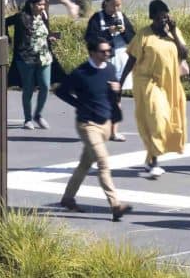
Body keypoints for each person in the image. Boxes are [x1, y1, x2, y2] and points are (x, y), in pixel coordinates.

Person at [55, 37, 133, 222]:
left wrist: (116, 90)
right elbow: (60, 91)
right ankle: (115, 206)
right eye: (103, 51)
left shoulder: (110, 69)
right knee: (103, 163)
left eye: (108, 51)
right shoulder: (81, 73)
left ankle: (67, 198)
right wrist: (78, 104)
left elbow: (111, 92)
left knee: (84, 165)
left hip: (105, 124)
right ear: (92, 52)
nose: (107, 54)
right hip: (87, 125)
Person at [121, 0, 188, 178]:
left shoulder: (174, 33)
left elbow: (184, 53)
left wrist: (173, 31)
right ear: (152, 18)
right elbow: (131, 59)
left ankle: (150, 159)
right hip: (147, 82)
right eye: (159, 18)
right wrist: (119, 83)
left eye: (166, 17)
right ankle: (154, 162)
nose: (163, 21)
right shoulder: (144, 35)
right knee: (158, 118)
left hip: (170, 83)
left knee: (168, 122)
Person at [84, 0, 136, 142]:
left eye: (119, 5)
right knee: (100, 96)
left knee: (116, 97)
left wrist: (123, 31)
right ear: (105, 3)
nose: (116, 8)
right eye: (113, 5)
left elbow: (133, 39)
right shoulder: (96, 18)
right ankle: (95, 127)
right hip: (104, 61)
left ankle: (114, 131)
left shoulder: (121, 16)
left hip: (121, 60)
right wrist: (109, 33)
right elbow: (90, 39)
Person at [8, 0, 58, 130]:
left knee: (45, 86)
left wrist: (50, 38)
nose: (42, 7)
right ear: (31, 4)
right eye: (39, 4)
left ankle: (38, 114)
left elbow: (44, 33)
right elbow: (5, 22)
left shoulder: (44, 16)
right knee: (28, 89)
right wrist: (8, 38)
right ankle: (28, 119)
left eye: (43, 4)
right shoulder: (21, 17)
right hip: (26, 58)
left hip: (44, 56)